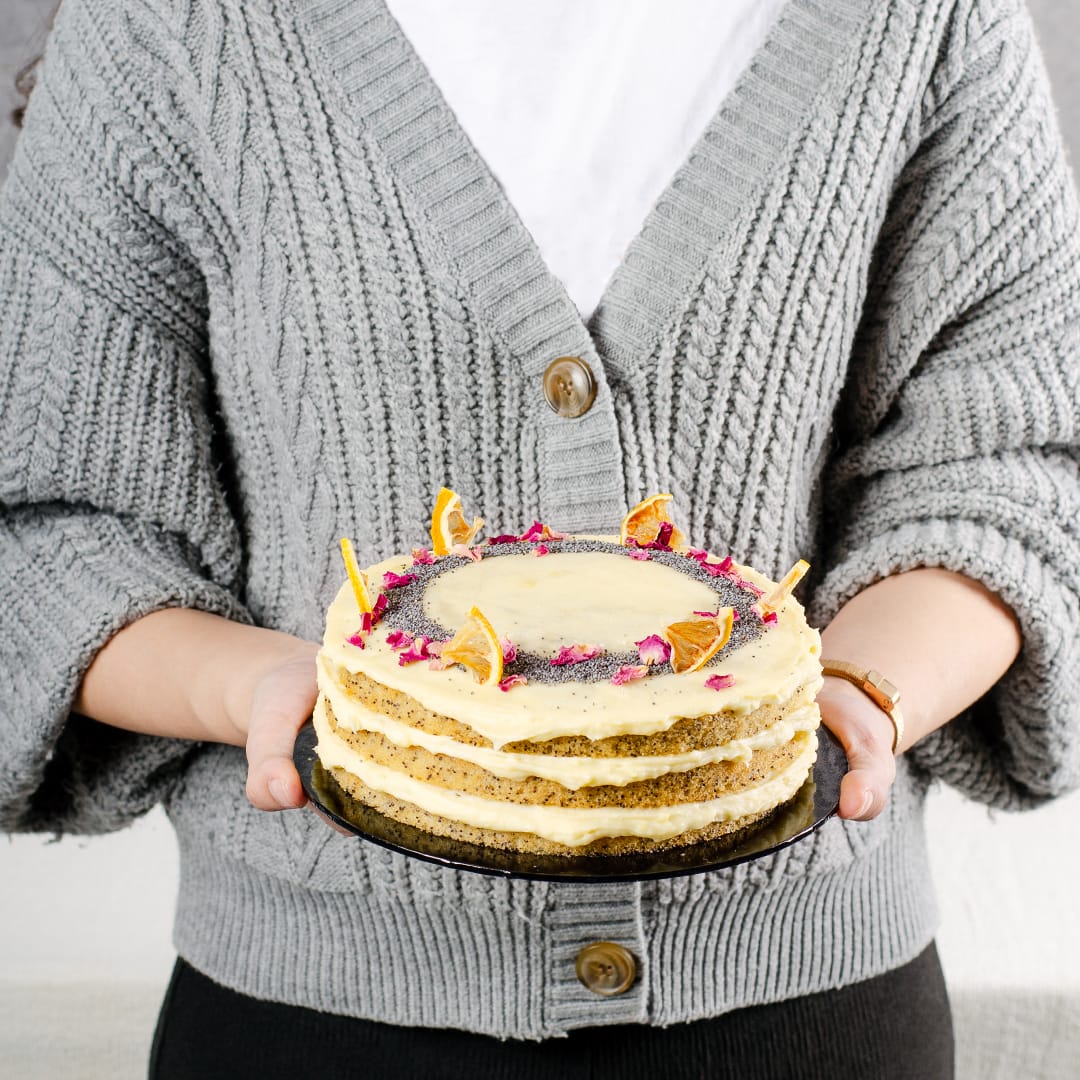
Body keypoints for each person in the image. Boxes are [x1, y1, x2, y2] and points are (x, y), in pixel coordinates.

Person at [2, 0, 1078, 1076]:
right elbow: (52, 524)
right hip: (311, 1019)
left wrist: (862, 694)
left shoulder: (925, 18)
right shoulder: (170, 22)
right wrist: (271, 693)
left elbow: (1016, 468)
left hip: (810, 1016)